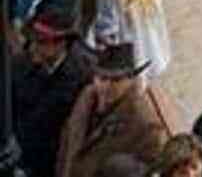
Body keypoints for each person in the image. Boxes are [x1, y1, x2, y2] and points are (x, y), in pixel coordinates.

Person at [56, 43, 175, 177]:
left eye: (116, 80)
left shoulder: (147, 125)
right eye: (102, 78)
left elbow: (153, 170)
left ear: (131, 80)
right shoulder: (85, 98)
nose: (106, 86)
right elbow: (66, 144)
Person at [12, 9, 94, 177]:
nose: (33, 47)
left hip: (53, 157)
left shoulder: (78, 77)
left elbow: (52, 120)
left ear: (61, 44)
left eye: (41, 42)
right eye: (32, 41)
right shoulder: (22, 64)